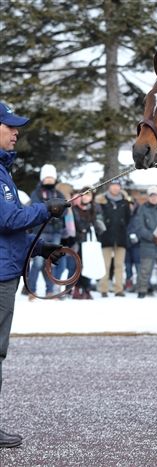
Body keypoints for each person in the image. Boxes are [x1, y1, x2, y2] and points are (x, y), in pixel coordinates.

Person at [0, 102, 69, 447]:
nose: (17, 133)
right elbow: (8, 220)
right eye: (10, 127)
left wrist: (38, 249)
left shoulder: (4, 173)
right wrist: (46, 209)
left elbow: (8, 232)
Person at [27, 163, 67, 297]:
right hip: (40, 231)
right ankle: (31, 289)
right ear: (42, 178)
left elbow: (66, 211)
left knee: (51, 261)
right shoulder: (36, 193)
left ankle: (50, 290)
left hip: (56, 232)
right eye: (47, 177)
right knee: (37, 263)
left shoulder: (59, 193)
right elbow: (35, 208)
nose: (49, 179)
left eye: (51, 177)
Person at [95, 179, 131, 297]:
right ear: (109, 187)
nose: (115, 188)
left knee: (119, 265)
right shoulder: (102, 201)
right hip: (106, 236)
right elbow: (98, 218)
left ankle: (118, 289)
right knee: (105, 264)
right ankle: (103, 289)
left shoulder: (125, 202)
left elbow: (128, 219)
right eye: (113, 186)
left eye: (117, 186)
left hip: (121, 237)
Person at [71, 188, 101, 299]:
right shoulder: (74, 209)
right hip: (77, 241)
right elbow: (73, 224)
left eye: (88, 195)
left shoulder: (95, 209)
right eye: (84, 195)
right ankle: (76, 288)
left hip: (90, 242)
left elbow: (98, 224)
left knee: (89, 265)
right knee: (77, 266)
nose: (85, 197)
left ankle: (86, 288)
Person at [124, 190, 142, 293]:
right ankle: (129, 281)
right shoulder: (124, 215)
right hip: (126, 244)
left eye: (132, 204)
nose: (130, 207)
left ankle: (140, 283)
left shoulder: (139, 214)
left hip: (137, 244)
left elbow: (141, 227)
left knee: (138, 265)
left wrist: (137, 237)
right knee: (128, 265)